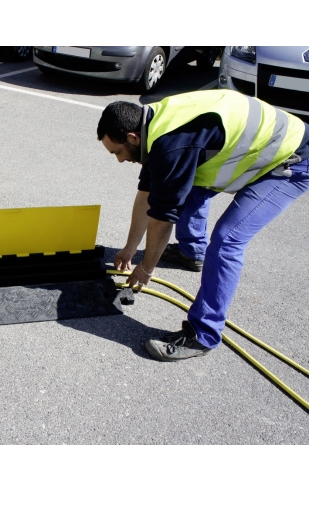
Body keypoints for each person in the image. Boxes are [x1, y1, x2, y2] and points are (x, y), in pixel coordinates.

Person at [96, 90, 309, 362]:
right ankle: (191, 253)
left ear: (132, 137)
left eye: (118, 151)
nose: (119, 159)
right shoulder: (154, 126)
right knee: (183, 186)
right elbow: (147, 195)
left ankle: (203, 334)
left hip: (291, 160)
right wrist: (129, 249)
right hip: (255, 147)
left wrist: (147, 267)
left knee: (226, 242)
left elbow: (163, 218)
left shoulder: (171, 146)